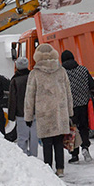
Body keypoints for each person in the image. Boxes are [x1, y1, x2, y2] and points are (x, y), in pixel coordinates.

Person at [24, 43, 73, 177]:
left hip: (44, 113)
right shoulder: (61, 70)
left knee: (47, 143)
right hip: (60, 113)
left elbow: (30, 96)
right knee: (58, 142)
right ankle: (60, 169)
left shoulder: (35, 73)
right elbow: (68, 92)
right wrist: (70, 112)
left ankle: (48, 170)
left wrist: (28, 116)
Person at [60, 50, 94, 163]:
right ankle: (85, 148)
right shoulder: (83, 69)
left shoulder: (62, 73)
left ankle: (74, 155)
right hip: (83, 104)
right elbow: (92, 85)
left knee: (72, 130)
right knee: (83, 127)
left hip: (69, 106)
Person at [8, 56, 37, 157]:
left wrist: (11, 115)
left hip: (21, 114)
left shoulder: (15, 81)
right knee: (34, 137)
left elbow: (12, 99)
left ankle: (23, 157)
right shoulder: (33, 78)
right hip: (34, 112)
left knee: (22, 137)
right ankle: (34, 157)